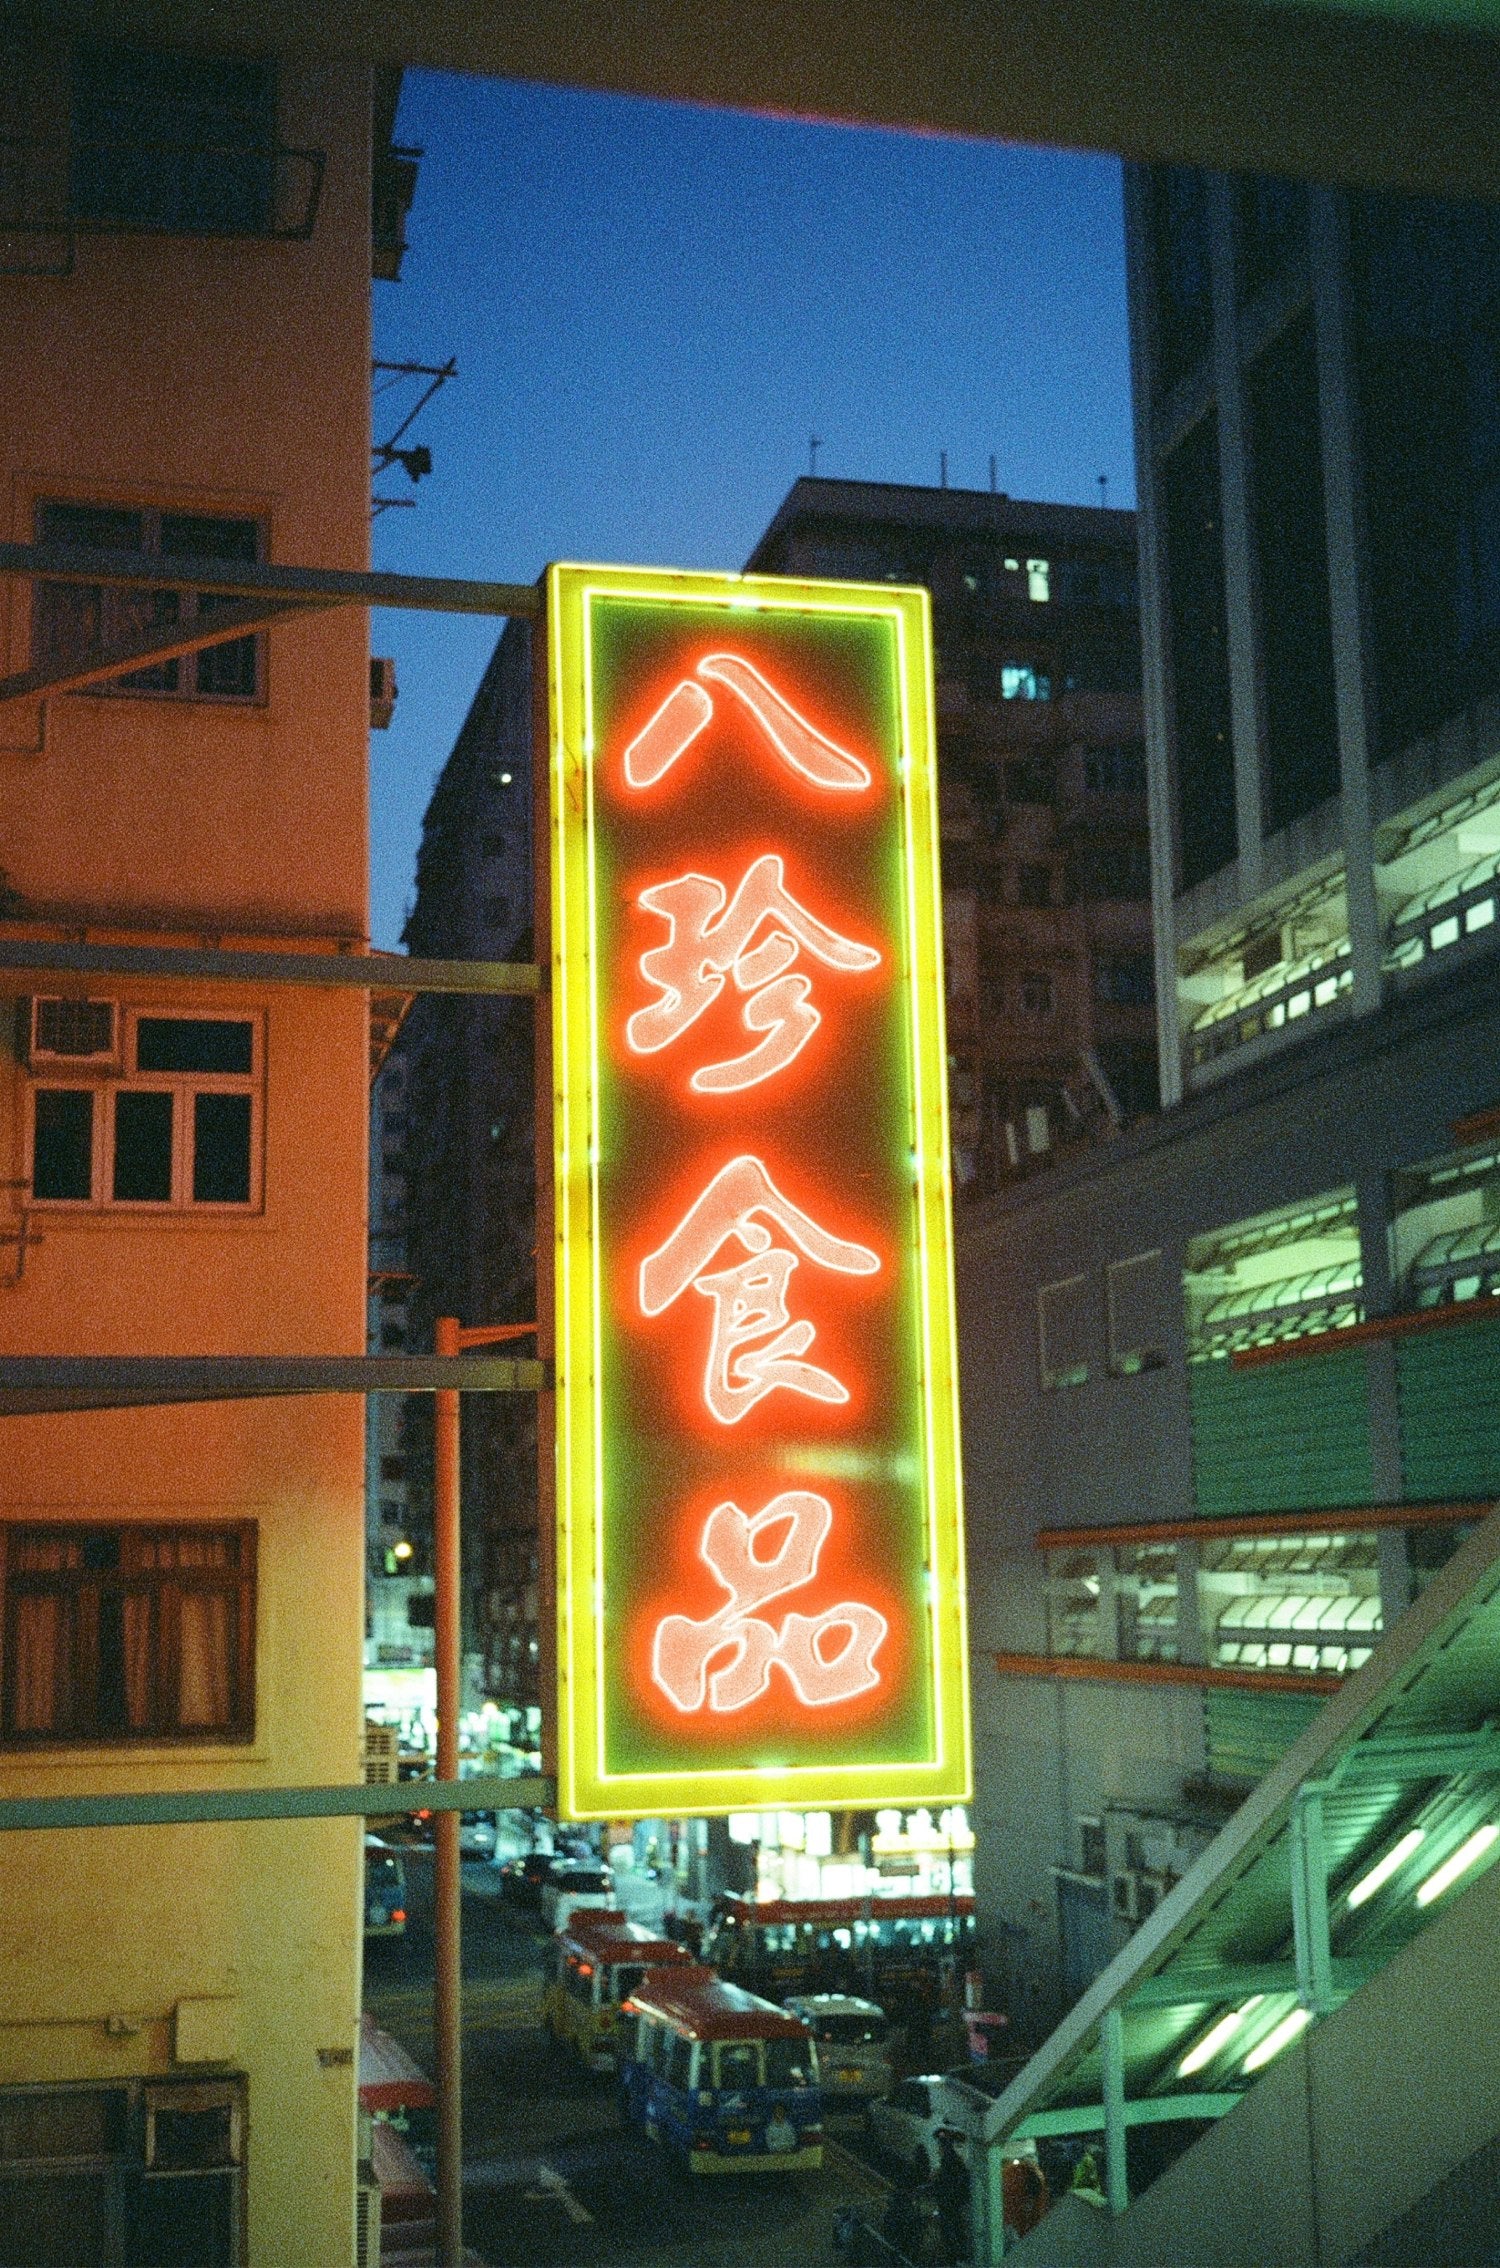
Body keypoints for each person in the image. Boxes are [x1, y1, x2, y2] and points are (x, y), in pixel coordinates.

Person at [932, 2130, 968, 2265]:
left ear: (943, 2147)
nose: (937, 2150)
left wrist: (936, 2180)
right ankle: (961, 2256)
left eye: (939, 2147)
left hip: (948, 2204)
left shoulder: (947, 2164)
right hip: (956, 2203)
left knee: (949, 2231)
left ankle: (953, 2259)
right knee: (958, 2229)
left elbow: (944, 2185)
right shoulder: (955, 2161)